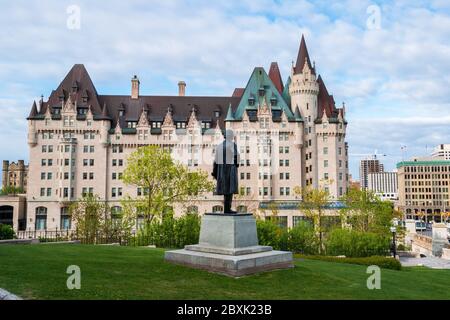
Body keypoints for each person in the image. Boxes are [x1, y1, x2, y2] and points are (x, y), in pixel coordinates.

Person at [212, 129, 240, 213]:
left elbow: (215, 161)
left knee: (225, 190)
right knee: (229, 190)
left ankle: (227, 209)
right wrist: (236, 164)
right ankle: (227, 209)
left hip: (221, 171)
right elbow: (236, 157)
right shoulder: (232, 145)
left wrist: (215, 173)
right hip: (230, 170)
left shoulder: (219, 146)